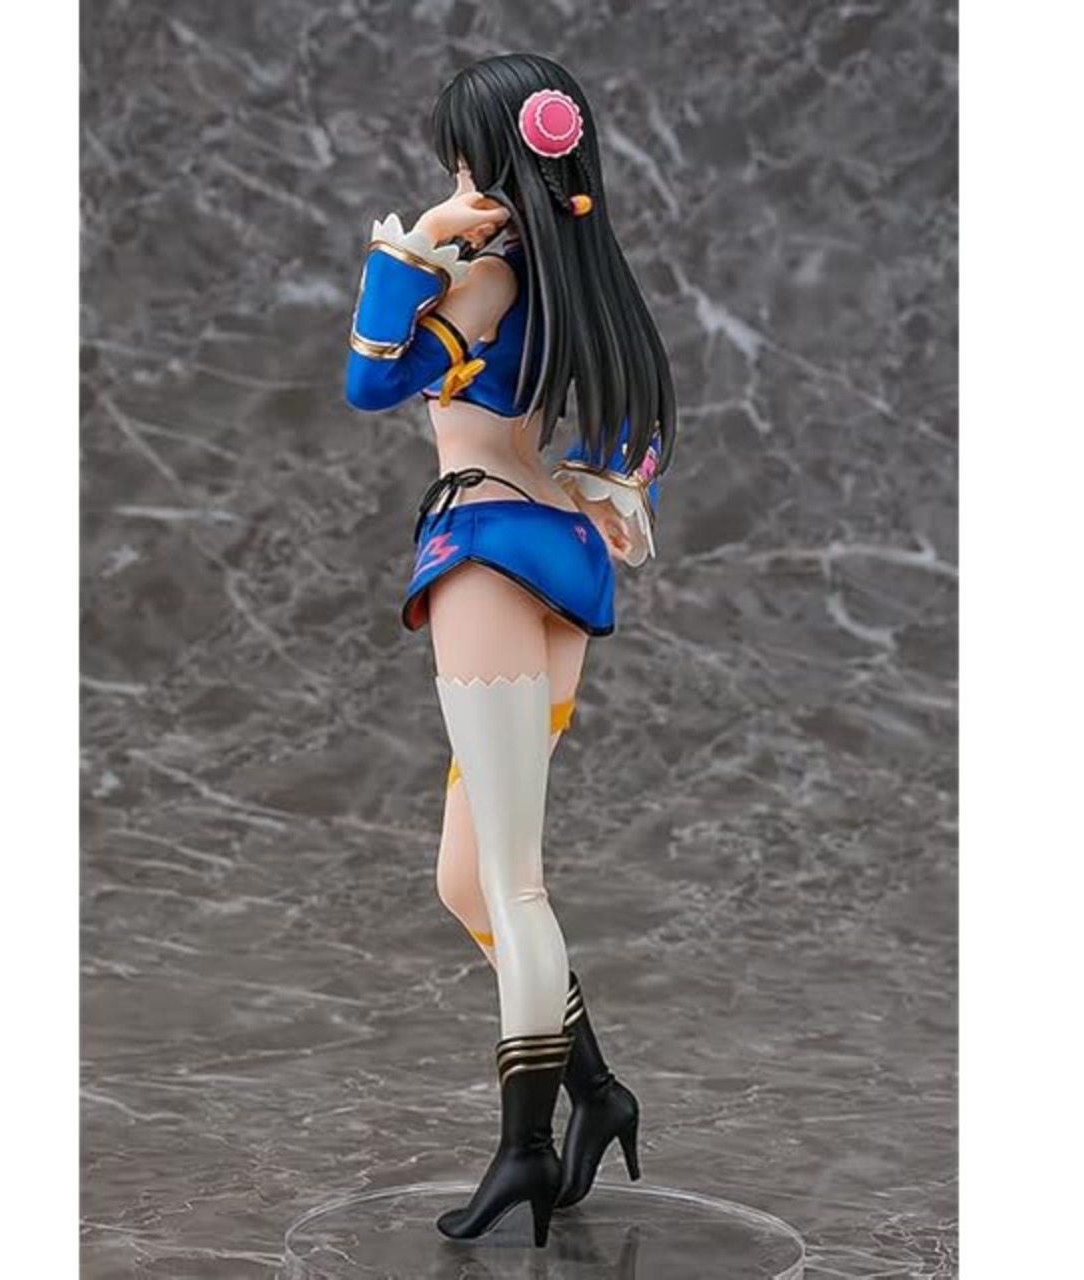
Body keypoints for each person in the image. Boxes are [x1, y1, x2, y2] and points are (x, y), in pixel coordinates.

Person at [344, 51, 676, 1247]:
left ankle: (524, 1146)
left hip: (486, 559)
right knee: (466, 876)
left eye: (463, 169)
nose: (455, 188)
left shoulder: (484, 279)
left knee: (513, 880)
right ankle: (597, 1089)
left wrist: (410, 248)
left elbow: (368, 382)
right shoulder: (586, 284)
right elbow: (639, 435)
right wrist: (608, 494)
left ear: (494, 168)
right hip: (561, 566)